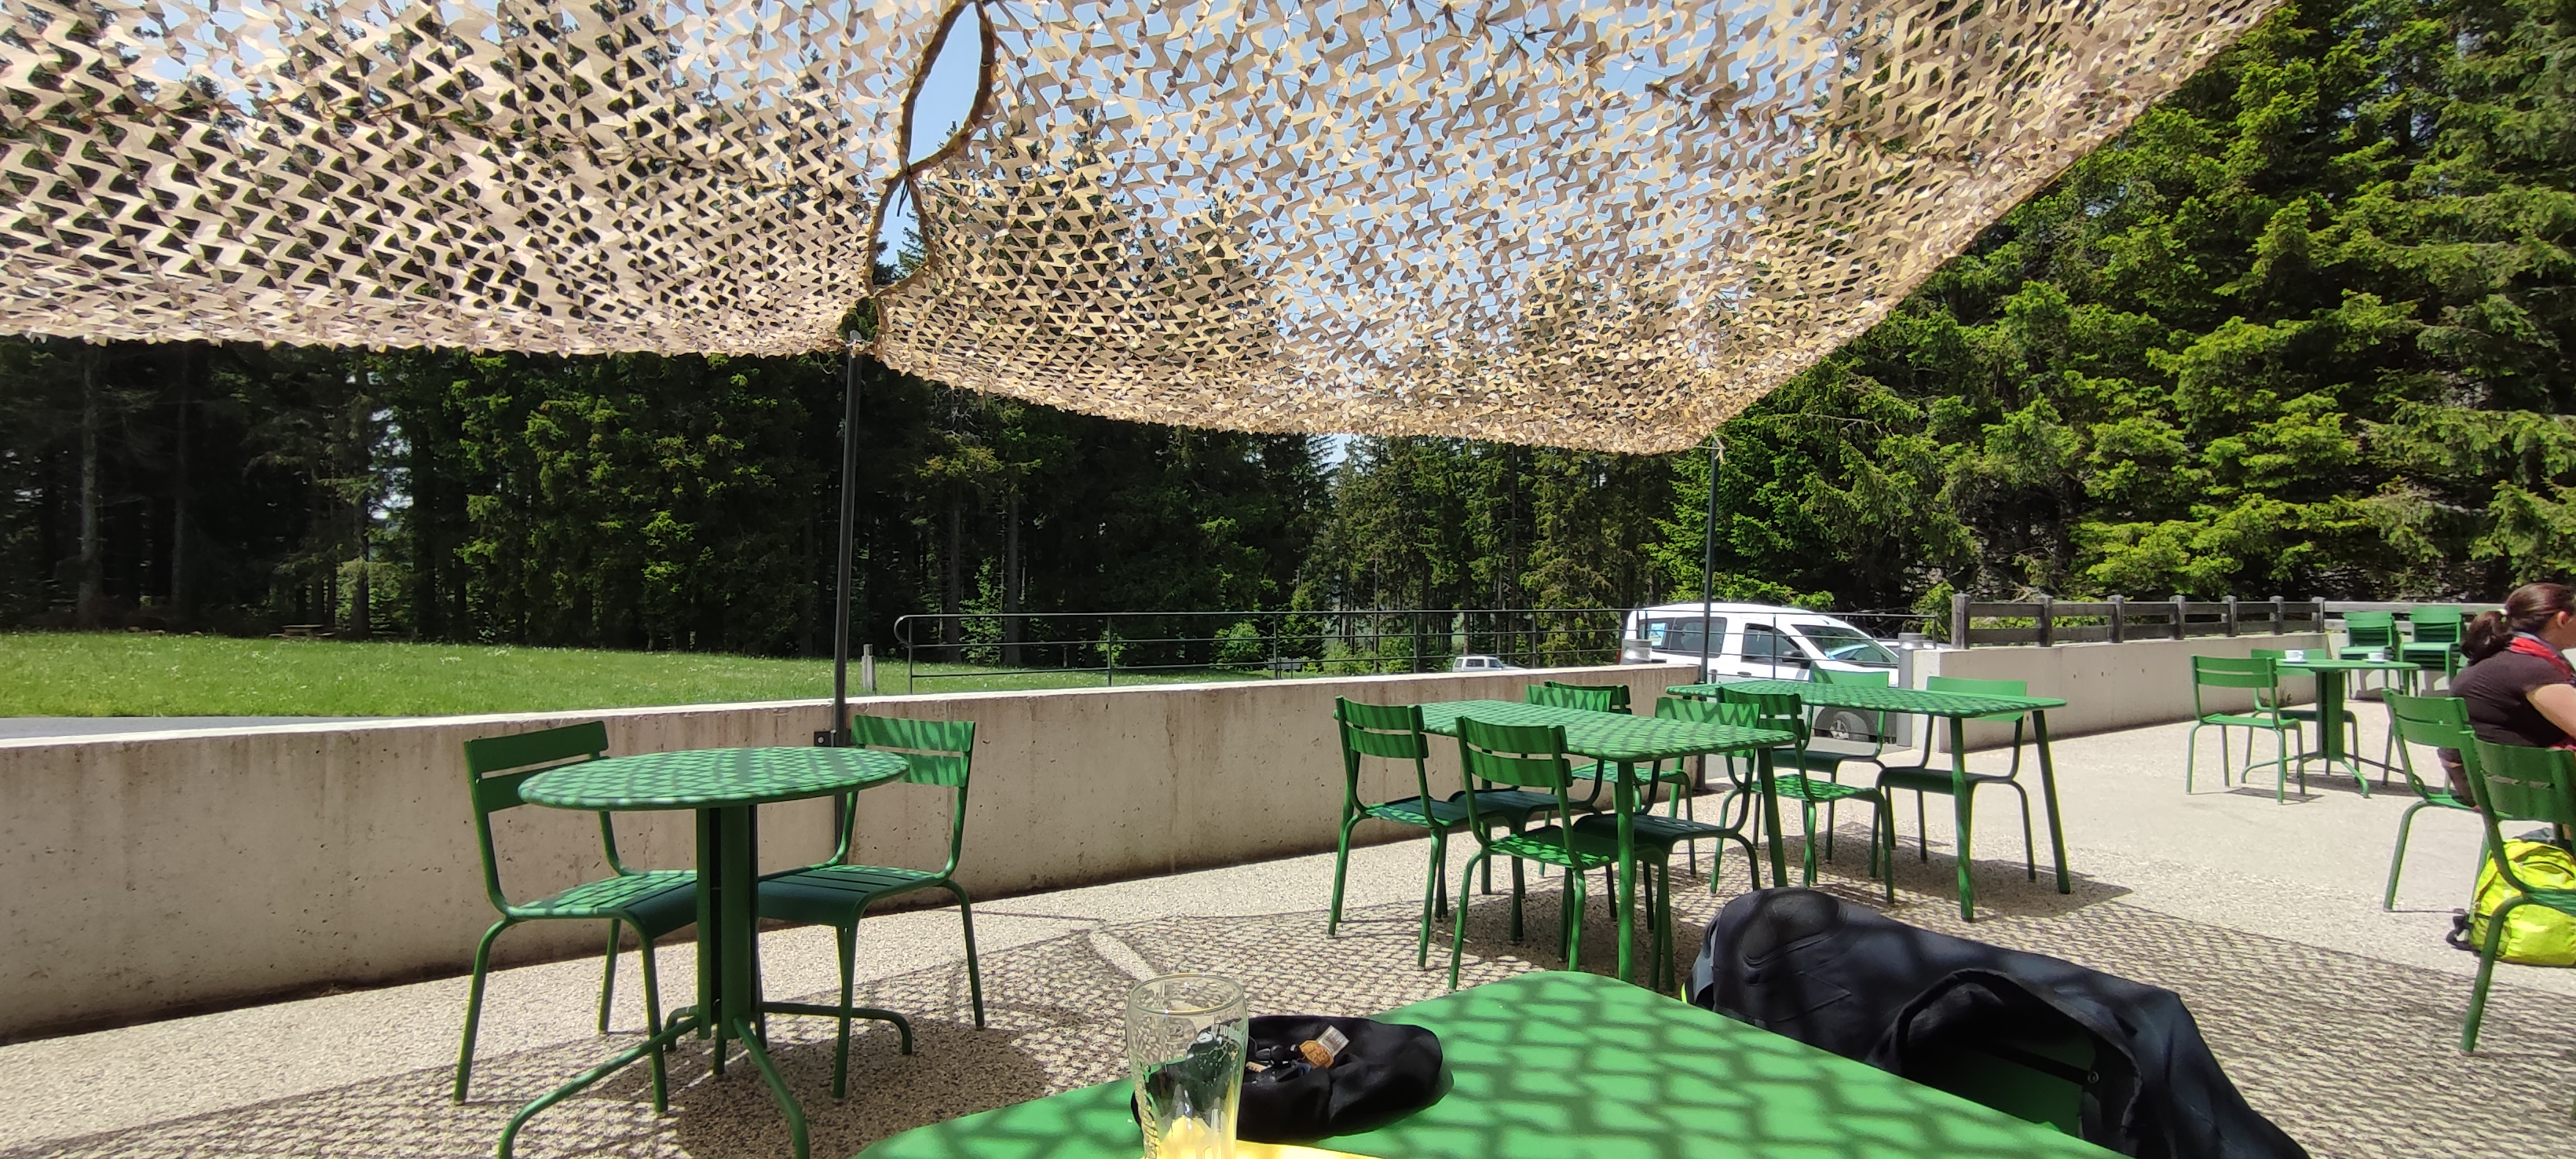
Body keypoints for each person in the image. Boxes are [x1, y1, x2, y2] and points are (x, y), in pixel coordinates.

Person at [2442, 582, 2576, 798]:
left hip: (2482, 783)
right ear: (2562, 619)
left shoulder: (2494, 656)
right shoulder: (2532, 669)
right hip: (2519, 790)